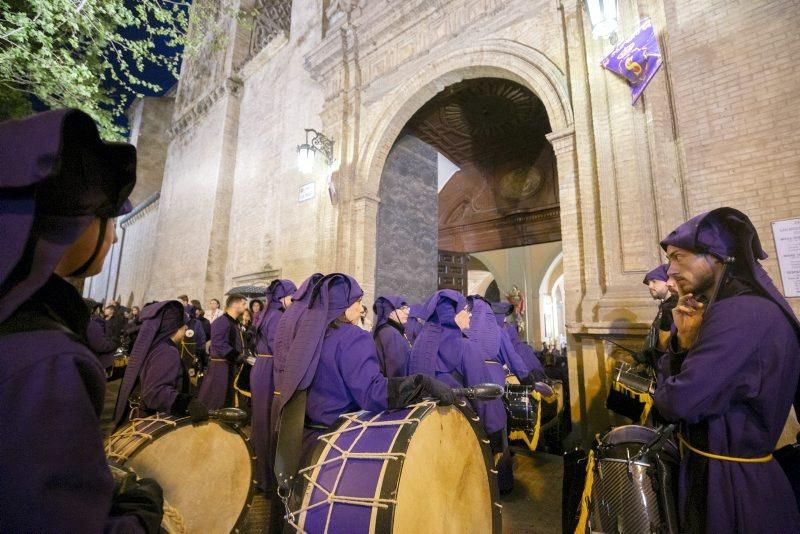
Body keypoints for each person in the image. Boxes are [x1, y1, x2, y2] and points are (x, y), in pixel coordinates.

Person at [0, 109, 163, 531]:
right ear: (75, 221)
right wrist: (142, 518)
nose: (113, 235)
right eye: (107, 218)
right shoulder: (45, 361)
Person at [654, 207, 800, 533]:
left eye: (679, 257)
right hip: (723, 474)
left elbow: (674, 404)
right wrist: (685, 344)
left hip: (732, 492)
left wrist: (676, 360)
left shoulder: (738, 314)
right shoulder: (746, 309)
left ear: (717, 257)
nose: (670, 269)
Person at [272, 275, 456, 481]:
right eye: (357, 301)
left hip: (306, 445)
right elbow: (372, 394)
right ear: (343, 304)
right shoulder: (352, 337)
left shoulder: (310, 336)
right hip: (340, 448)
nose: (361, 309)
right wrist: (419, 384)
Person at [113, 301, 209, 427]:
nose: (186, 328)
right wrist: (188, 403)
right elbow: (155, 392)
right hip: (150, 422)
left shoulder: (155, 345)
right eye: (183, 324)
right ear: (173, 327)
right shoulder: (167, 351)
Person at [250, 279, 296, 491]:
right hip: (270, 369)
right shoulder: (279, 316)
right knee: (269, 423)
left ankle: (262, 476)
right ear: (281, 297)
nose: (294, 300)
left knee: (261, 422)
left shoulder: (268, 314)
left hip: (261, 365)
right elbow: (281, 348)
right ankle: (269, 479)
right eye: (291, 296)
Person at [407, 290, 489, 391]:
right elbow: (483, 397)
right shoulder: (466, 347)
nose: (470, 314)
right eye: (465, 309)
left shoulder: (420, 344)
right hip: (457, 405)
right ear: (452, 315)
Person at [197, 294, 247, 409]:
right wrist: (237, 356)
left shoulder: (235, 322)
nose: (245, 307)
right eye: (243, 304)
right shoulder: (221, 321)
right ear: (235, 304)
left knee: (227, 398)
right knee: (216, 399)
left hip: (230, 366)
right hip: (220, 367)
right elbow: (219, 343)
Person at [372, 295, 412, 378]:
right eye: (402, 308)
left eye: (407, 307)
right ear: (389, 311)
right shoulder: (391, 333)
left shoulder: (389, 330)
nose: (407, 312)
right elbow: (397, 371)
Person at [85, 298, 119, 370]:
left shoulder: (115, 320)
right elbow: (99, 345)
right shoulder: (92, 323)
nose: (106, 308)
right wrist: (114, 343)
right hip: (90, 360)